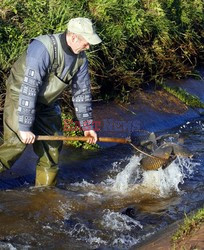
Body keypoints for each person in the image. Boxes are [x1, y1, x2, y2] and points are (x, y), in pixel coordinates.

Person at [0, 17, 102, 186]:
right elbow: (29, 87)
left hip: (47, 102)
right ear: (74, 37)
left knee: (52, 148)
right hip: (21, 96)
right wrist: (25, 127)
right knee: (16, 144)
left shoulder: (81, 59)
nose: (88, 46)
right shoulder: (43, 48)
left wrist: (88, 126)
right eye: (86, 42)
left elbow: (82, 94)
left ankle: (45, 195)